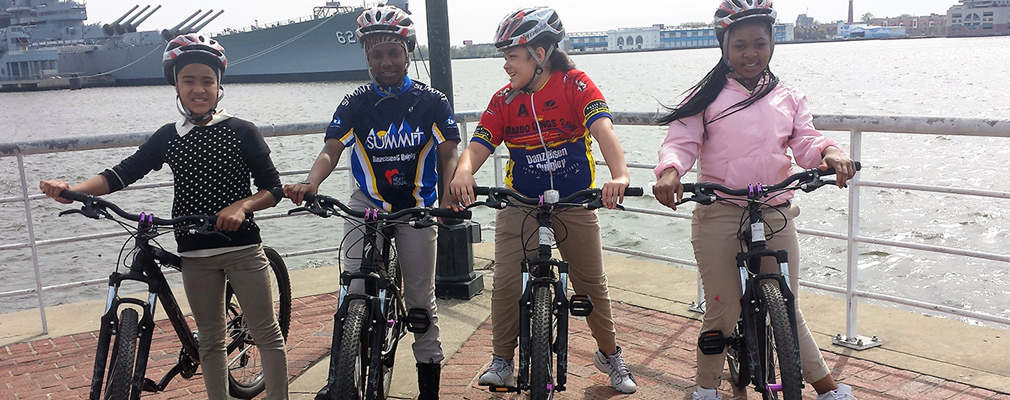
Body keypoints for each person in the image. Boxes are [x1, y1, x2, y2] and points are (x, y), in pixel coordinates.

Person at [39, 34, 288, 400]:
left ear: (220, 86)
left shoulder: (241, 130)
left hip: (242, 249)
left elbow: (273, 189)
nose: (199, 89)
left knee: (267, 334)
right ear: (176, 84)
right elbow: (122, 173)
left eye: (207, 80)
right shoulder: (169, 137)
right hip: (194, 254)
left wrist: (242, 207)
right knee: (211, 343)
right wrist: (72, 190)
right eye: (189, 80)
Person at [652, 1, 858, 399]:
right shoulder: (705, 96)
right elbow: (681, 142)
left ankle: (826, 387)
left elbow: (805, 140)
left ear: (772, 43)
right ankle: (706, 388)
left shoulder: (788, 97)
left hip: (775, 209)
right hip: (720, 212)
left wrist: (830, 153)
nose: (751, 54)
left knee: (787, 302)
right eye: (740, 45)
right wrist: (671, 172)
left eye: (759, 44)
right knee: (723, 309)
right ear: (724, 48)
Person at [449, 7, 637, 395]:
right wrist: (464, 171)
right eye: (504, 57)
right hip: (521, 203)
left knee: (589, 285)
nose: (506, 66)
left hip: (574, 201)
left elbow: (603, 130)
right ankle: (501, 360)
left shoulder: (575, 84)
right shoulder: (504, 99)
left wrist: (619, 175)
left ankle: (611, 355)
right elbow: (478, 145)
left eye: (511, 56)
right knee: (505, 283)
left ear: (540, 53)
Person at [282, 5, 459, 400]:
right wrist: (310, 183)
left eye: (394, 52)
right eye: (377, 54)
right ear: (366, 56)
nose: (386, 62)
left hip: (417, 206)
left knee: (419, 299)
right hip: (367, 205)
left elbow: (449, 153)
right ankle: (340, 373)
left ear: (408, 52)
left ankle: (428, 385)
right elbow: (331, 150)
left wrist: (450, 194)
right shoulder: (355, 102)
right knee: (353, 287)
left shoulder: (431, 101)